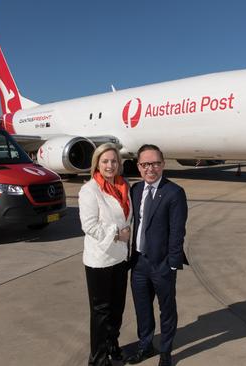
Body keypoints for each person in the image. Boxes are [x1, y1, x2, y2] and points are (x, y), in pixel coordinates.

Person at [126, 144, 188, 366]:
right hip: (139, 262)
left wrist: (172, 264)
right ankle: (145, 346)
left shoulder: (174, 193)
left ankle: (166, 353)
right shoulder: (135, 190)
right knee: (142, 309)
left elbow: (177, 231)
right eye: (145, 164)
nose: (150, 169)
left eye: (154, 163)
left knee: (167, 310)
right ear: (139, 167)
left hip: (162, 264)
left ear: (163, 164)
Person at [78, 143, 132, 366]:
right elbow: (89, 225)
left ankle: (112, 345)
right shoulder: (89, 190)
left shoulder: (124, 186)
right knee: (101, 311)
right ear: (97, 164)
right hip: (99, 260)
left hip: (120, 258)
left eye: (114, 161)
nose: (110, 165)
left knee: (117, 308)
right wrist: (117, 235)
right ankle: (98, 358)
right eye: (105, 161)